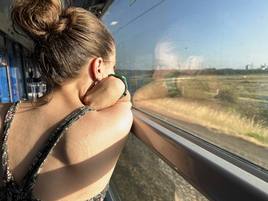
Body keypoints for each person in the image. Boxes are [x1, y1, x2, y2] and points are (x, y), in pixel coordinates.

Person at [0, 0, 133, 200]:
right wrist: (119, 84)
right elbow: (125, 100)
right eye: (112, 69)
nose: (112, 75)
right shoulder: (113, 122)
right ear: (97, 67)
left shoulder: (3, 112)